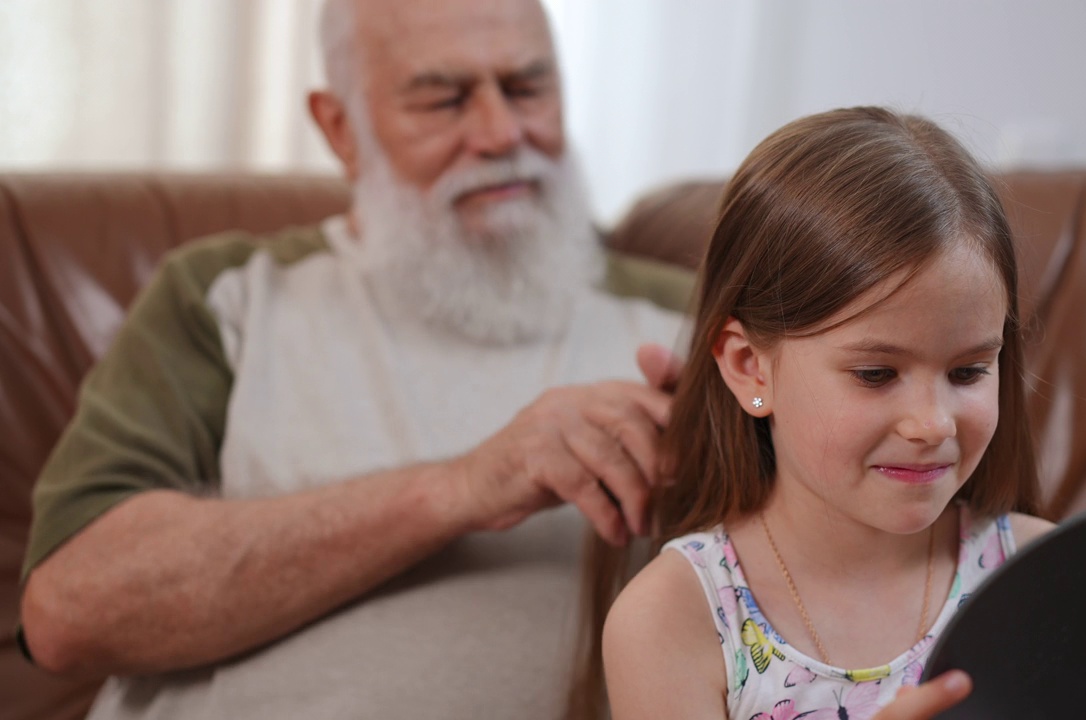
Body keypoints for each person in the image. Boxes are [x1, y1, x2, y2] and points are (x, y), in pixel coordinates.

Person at [18, 0, 693, 717]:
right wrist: (462, 487)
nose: (502, 133)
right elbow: (68, 610)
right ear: (340, 128)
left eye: (529, 87)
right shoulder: (228, 294)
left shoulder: (697, 321)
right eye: (443, 98)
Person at [592, 107, 1086, 719]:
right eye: (876, 374)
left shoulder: (1052, 578)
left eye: (968, 371)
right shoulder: (678, 618)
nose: (933, 424)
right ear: (748, 367)